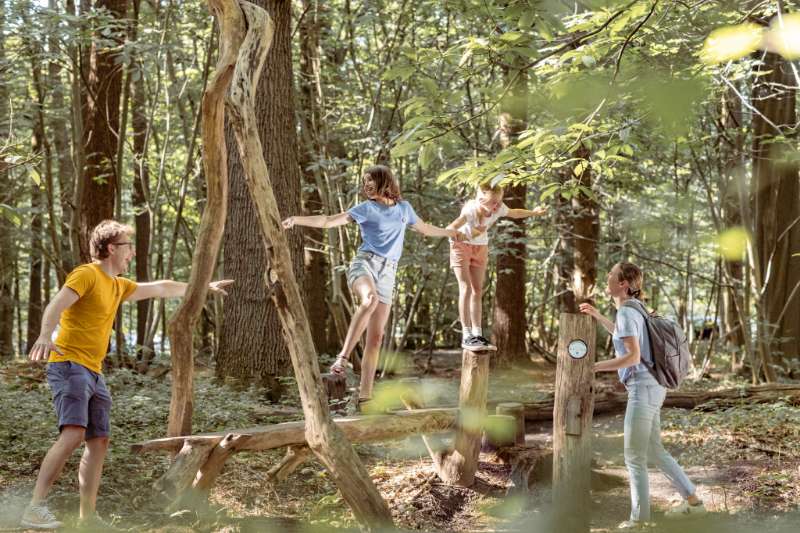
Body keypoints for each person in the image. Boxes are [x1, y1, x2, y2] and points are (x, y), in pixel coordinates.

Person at [22, 220, 233, 530]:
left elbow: (160, 287)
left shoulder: (118, 285)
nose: (132, 253)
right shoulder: (87, 274)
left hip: (93, 371)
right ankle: (34, 508)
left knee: (99, 440)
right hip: (69, 364)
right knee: (74, 434)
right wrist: (43, 334)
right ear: (110, 249)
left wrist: (203, 287)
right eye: (127, 247)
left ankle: (87, 518)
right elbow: (57, 304)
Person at [282, 165, 462, 409]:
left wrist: (451, 232)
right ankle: (343, 358)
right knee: (369, 300)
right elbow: (327, 221)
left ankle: (365, 396)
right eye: (364, 181)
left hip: (388, 273)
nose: (366, 185)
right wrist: (296, 220)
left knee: (376, 338)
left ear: (384, 182)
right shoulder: (365, 209)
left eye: (370, 181)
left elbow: (425, 229)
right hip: (364, 264)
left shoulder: (404, 209)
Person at [579, 262, 706, 529]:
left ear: (623, 284)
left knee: (634, 457)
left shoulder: (627, 311)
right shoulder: (636, 309)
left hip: (643, 389)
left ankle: (639, 521)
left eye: (611, 275)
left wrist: (593, 366)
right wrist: (599, 316)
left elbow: (633, 355)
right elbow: (627, 335)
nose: (607, 278)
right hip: (655, 386)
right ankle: (694, 503)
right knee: (654, 450)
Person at [446, 183, 546, 351]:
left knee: (478, 290)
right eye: (493, 202)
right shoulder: (470, 210)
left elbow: (514, 212)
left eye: (499, 201)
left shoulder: (498, 208)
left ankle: (477, 333)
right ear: (480, 200)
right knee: (466, 288)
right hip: (461, 246)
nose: (497, 206)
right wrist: (455, 233)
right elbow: (451, 227)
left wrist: (534, 213)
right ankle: (466, 334)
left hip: (480, 247)